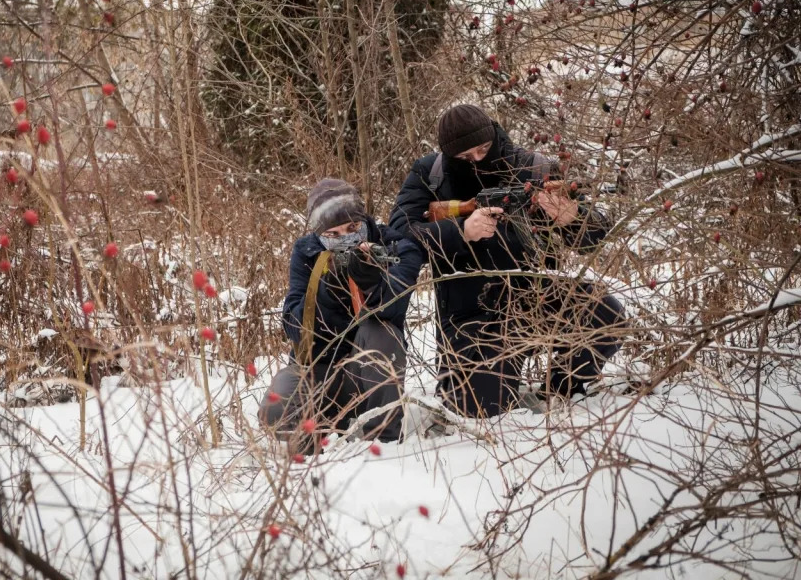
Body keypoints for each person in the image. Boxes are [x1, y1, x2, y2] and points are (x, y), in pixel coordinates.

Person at [388, 104, 626, 418]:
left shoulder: (534, 168)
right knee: (478, 409)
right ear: (448, 155)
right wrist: (461, 231)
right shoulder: (429, 175)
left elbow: (594, 237)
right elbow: (398, 236)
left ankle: (563, 391)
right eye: (464, 156)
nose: (476, 159)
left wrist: (574, 218)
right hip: (471, 313)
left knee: (606, 313)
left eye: (484, 149)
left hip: (537, 296)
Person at [259, 178, 423, 450]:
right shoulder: (308, 252)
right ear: (319, 234)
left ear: (363, 219)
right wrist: (329, 288)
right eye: (332, 234)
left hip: (370, 378)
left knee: (380, 333)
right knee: (275, 410)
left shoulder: (393, 245)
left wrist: (371, 281)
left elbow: (395, 307)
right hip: (319, 370)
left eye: (352, 228)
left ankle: (385, 443)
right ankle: (309, 462)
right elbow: (294, 326)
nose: (345, 238)